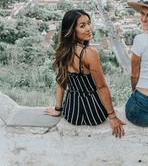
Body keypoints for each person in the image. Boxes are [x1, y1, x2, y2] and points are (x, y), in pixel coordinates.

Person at [44, 9, 125, 138]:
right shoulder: (90, 53)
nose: (88, 28)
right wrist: (113, 117)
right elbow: (101, 87)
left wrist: (57, 110)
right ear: (71, 31)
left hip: (71, 114)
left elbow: (61, 83)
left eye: (88, 23)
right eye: (82, 26)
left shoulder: (64, 52)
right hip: (94, 115)